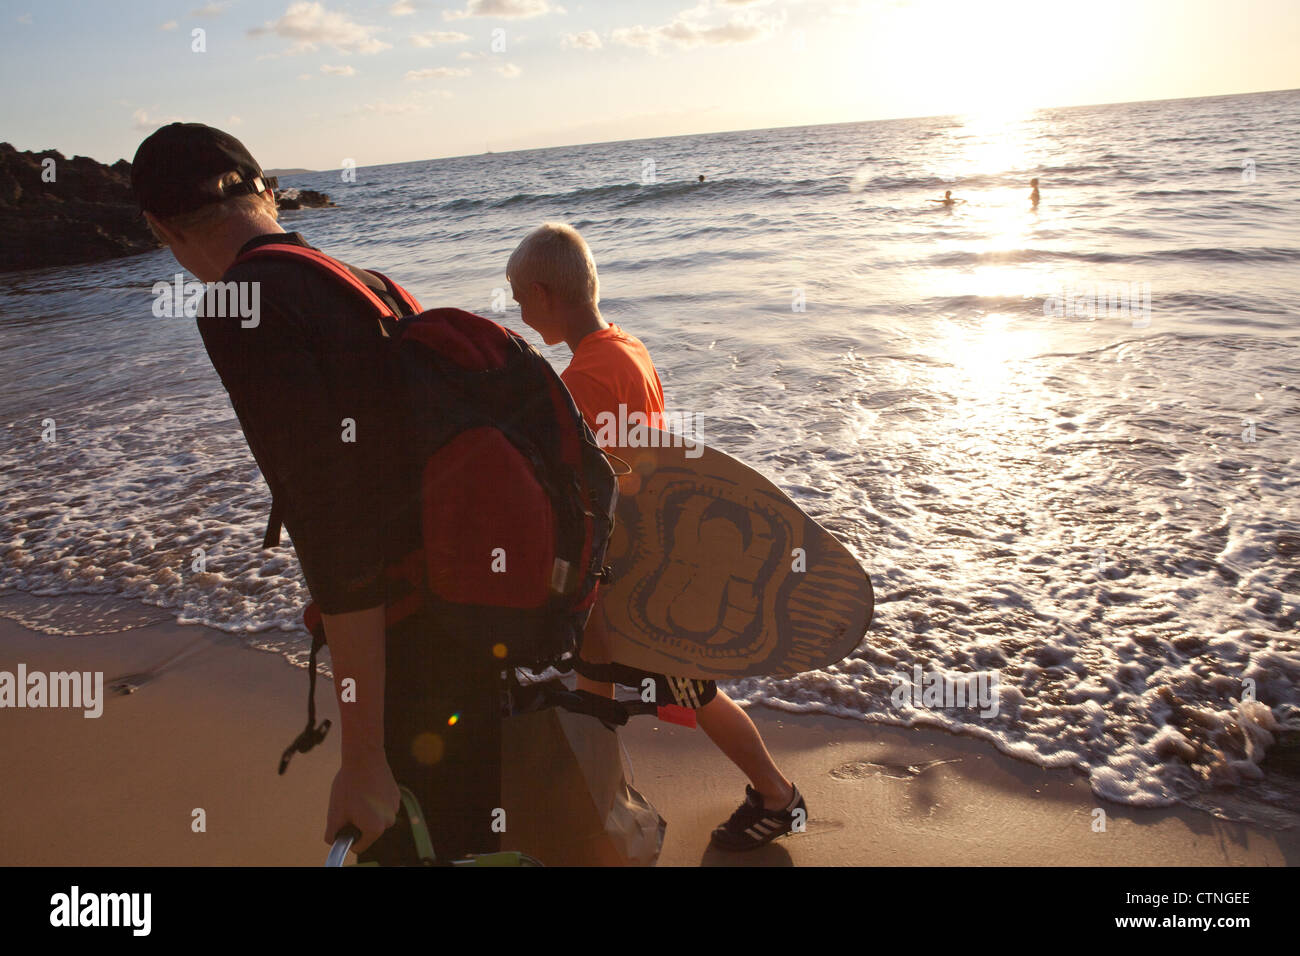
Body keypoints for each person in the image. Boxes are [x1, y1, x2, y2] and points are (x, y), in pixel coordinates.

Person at [130, 122, 501, 865]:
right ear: (267, 191)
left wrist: (363, 757)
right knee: (472, 839)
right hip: (473, 619)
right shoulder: (368, 283)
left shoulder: (243, 302)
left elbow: (340, 535)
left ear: (160, 228)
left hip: (410, 653)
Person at [505, 222, 807, 851]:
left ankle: (778, 797)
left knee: (694, 693)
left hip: (634, 568)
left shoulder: (585, 377)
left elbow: (561, 481)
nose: (518, 310)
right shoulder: (626, 348)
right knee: (594, 676)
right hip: (636, 554)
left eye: (519, 297)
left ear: (544, 292)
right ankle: (601, 798)